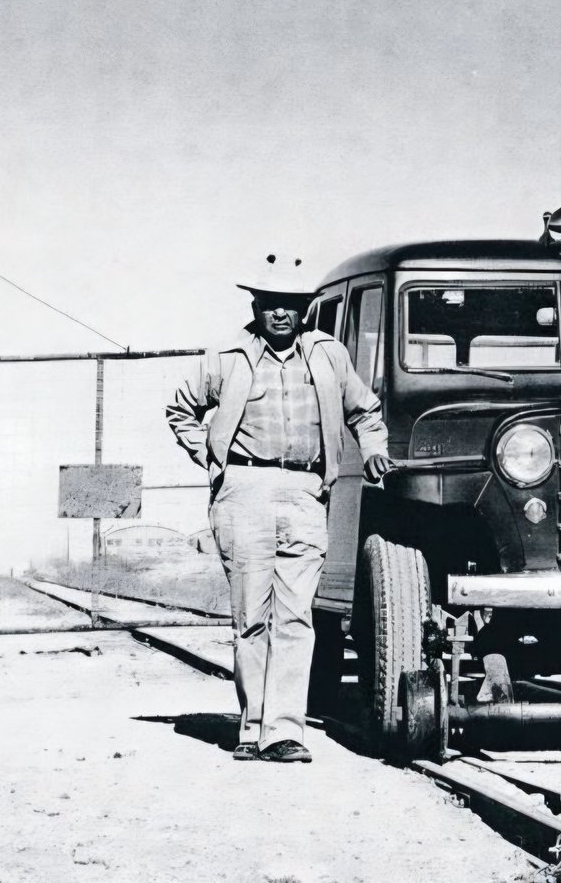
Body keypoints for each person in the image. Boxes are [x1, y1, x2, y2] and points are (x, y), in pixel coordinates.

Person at [167, 253, 393, 763]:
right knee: (251, 615)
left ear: (306, 308)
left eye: (292, 305)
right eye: (272, 305)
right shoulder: (228, 359)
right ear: (256, 306)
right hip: (244, 488)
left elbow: (365, 410)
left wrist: (374, 448)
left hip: (306, 491)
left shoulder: (328, 356)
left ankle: (284, 732)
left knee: (295, 617)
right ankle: (251, 728)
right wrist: (208, 451)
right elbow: (180, 408)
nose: (282, 315)